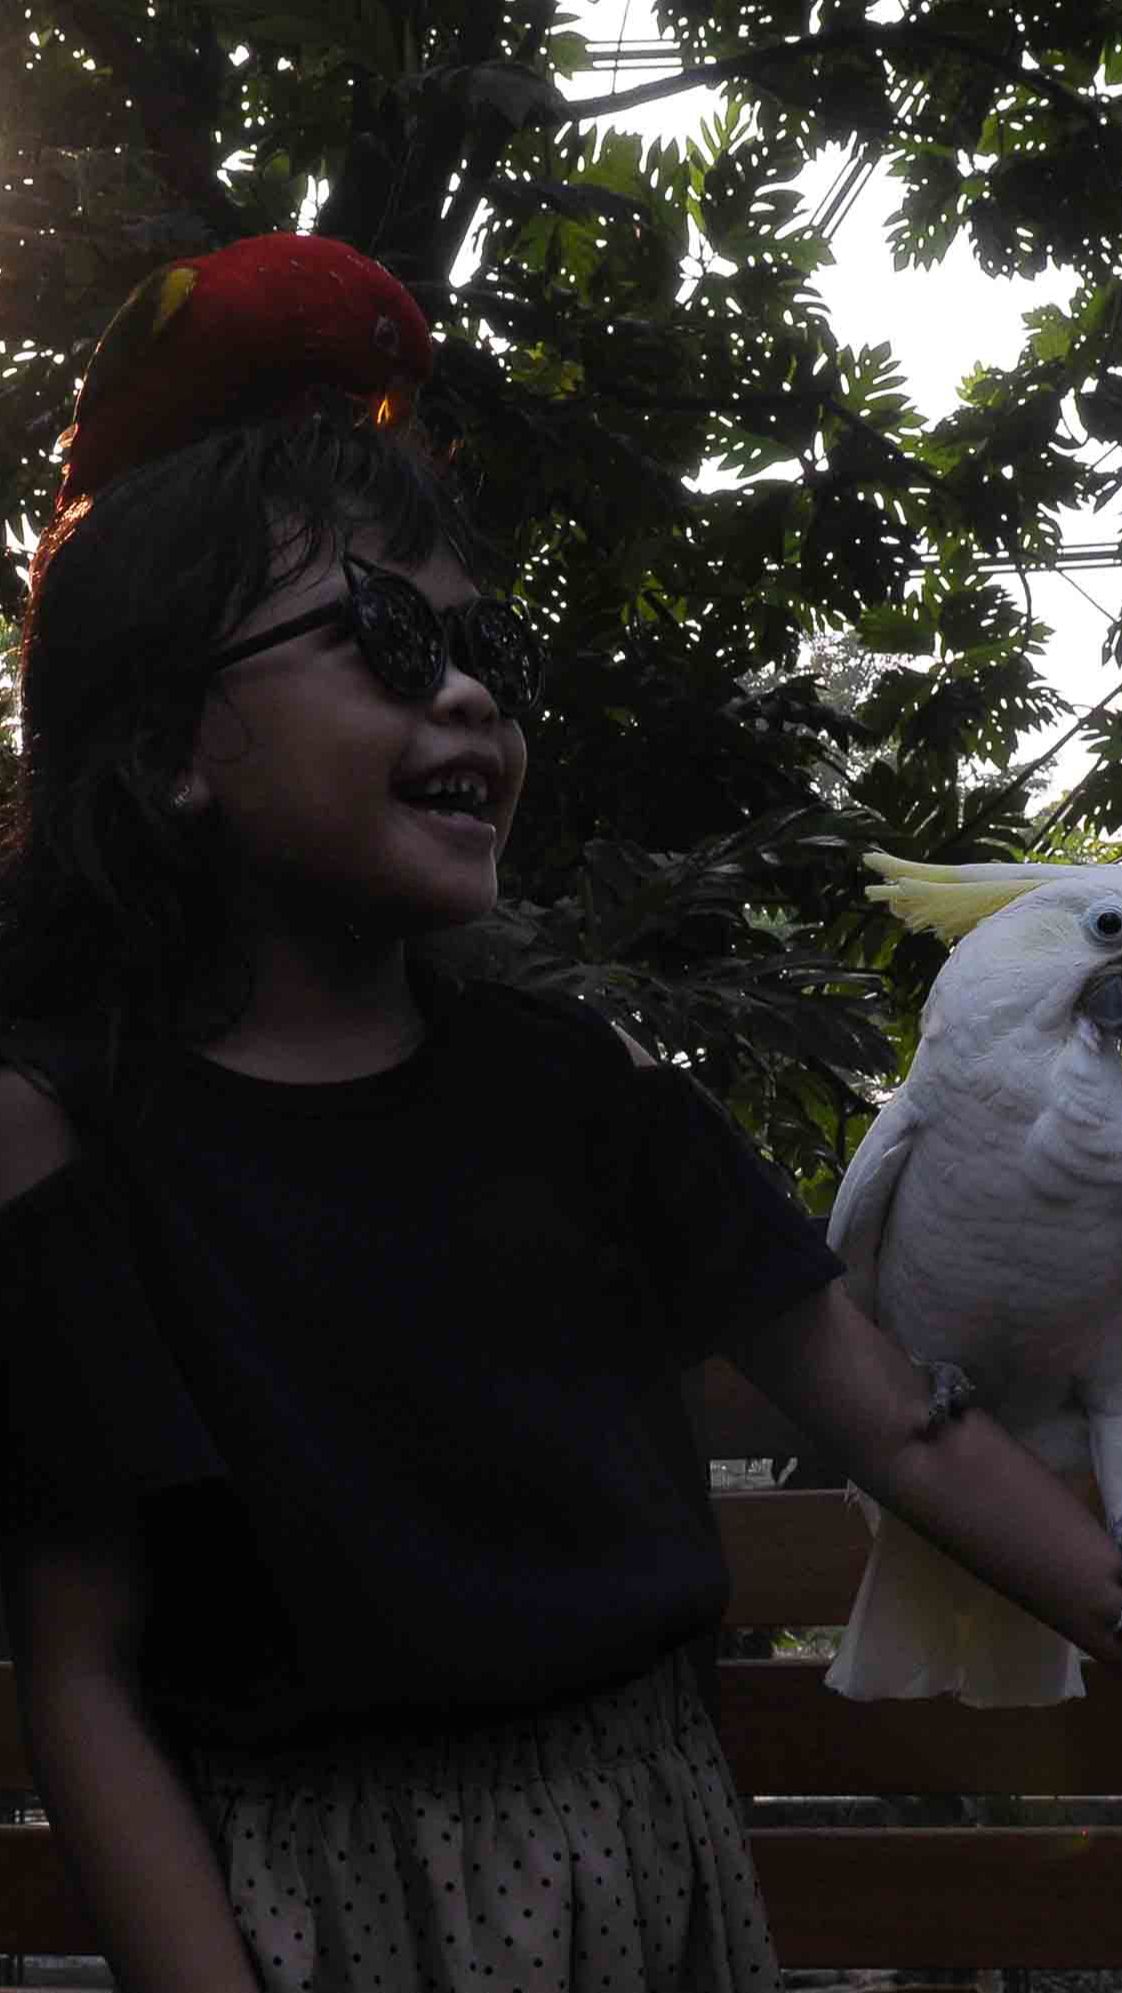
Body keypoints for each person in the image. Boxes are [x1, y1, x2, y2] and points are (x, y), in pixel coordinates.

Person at [2, 246, 1122, 1993]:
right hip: (307, 1919)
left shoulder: (583, 1097)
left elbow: (902, 1432)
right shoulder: (72, 1145)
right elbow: (81, 1665)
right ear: (165, 756)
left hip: (652, 1878)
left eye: (485, 651)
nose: (467, 695)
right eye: (382, 638)